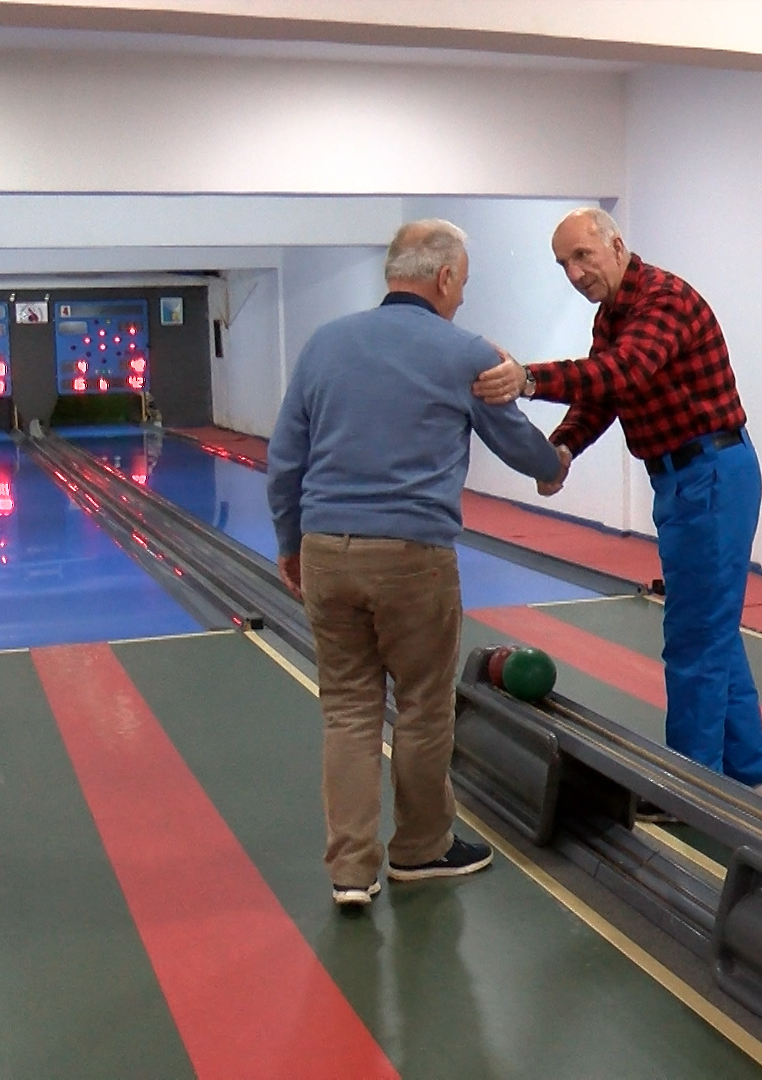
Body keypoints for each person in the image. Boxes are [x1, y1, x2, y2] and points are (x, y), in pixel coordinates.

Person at [269, 219, 567, 907]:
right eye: (463, 281)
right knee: (424, 707)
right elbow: (516, 441)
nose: (462, 295)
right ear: (445, 276)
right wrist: (553, 465)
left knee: (347, 710)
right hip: (412, 557)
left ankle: (350, 872)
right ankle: (422, 848)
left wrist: (290, 543)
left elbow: (286, 459)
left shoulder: (324, 344)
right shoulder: (464, 352)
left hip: (326, 549)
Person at [471, 208, 762, 796]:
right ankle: (751, 771)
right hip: (681, 478)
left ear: (616, 246)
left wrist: (528, 380)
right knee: (711, 625)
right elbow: (602, 399)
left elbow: (623, 372)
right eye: (563, 264)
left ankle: (689, 787)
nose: (575, 273)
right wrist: (562, 449)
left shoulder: (663, 300)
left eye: (582, 256)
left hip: (712, 474)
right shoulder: (612, 314)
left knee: (694, 634)